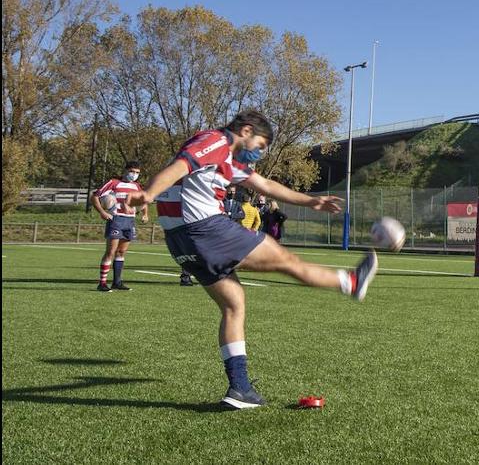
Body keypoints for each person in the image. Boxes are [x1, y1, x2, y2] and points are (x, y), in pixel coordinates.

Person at [127, 110, 378, 409]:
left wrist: (312, 201)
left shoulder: (229, 162)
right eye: (260, 144)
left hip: (180, 241)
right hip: (205, 229)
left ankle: (240, 390)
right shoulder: (216, 140)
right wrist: (149, 193)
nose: (260, 152)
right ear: (245, 131)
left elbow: (267, 186)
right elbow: (182, 165)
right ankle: (350, 282)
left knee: (234, 304)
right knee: (285, 259)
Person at [91, 161, 149, 291]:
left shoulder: (137, 186)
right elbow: (94, 196)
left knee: (121, 252)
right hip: (116, 220)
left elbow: (143, 201)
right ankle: (102, 283)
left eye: (137, 173)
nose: (134, 175)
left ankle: (117, 282)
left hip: (130, 221)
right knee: (111, 252)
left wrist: (145, 214)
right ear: (125, 170)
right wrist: (102, 212)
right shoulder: (113, 183)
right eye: (132, 171)